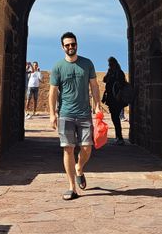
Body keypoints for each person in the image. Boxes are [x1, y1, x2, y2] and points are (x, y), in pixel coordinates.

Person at [49, 31, 101, 201]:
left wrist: (97, 105)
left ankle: (79, 167)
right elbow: (53, 92)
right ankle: (72, 187)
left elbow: (94, 85)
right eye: (67, 45)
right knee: (68, 149)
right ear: (62, 47)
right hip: (65, 114)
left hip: (84, 113)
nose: (71, 47)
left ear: (77, 44)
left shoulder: (87, 64)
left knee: (87, 148)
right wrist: (52, 113)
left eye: (73, 44)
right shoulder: (58, 67)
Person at [102, 56, 127, 145]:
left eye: (110, 63)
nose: (109, 65)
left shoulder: (119, 73)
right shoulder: (111, 72)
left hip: (117, 99)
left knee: (116, 118)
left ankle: (119, 137)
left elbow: (122, 84)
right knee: (114, 118)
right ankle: (118, 137)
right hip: (111, 98)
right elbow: (104, 80)